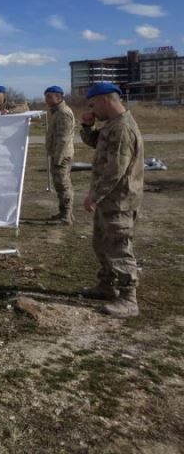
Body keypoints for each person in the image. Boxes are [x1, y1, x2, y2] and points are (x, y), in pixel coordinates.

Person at [80, 82, 144, 318]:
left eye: (93, 104)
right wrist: (87, 127)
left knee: (119, 247)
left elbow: (115, 170)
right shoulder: (112, 125)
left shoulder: (122, 128)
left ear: (106, 100)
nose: (92, 109)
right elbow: (97, 144)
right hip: (109, 199)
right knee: (102, 244)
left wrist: (93, 196)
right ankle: (107, 285)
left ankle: (128, 299)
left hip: (119, 200)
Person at [44, 85, 76, 225]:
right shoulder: (56, 112)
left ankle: (66, 216)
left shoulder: (63, 113)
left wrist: (58, 158)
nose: (46, 99)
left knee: (63, 185)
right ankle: (65, 213)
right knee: (60, 185)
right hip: (58, 154)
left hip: (61, 156)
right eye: (46, 96)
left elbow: (64, 138)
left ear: (59, 97)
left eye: (49, 96)